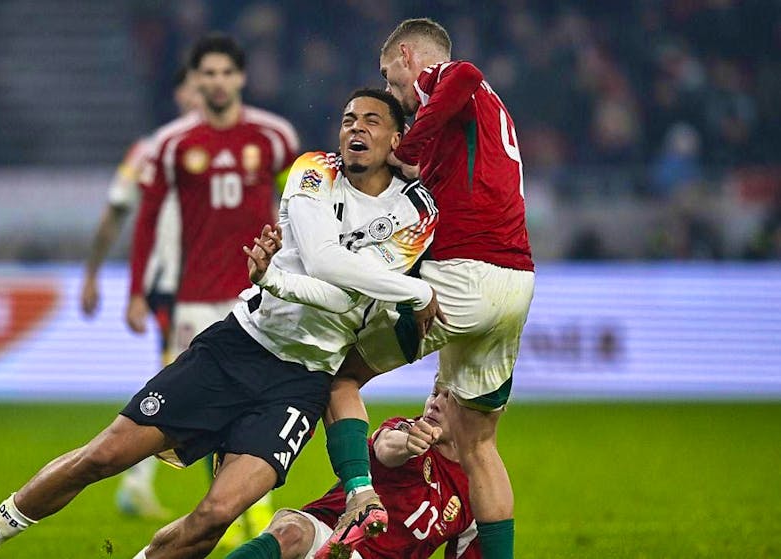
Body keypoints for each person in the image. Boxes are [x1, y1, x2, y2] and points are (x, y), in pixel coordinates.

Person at [0, 87, 442, 559]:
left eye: (372, 121)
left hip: (301, 383)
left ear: (397, 139)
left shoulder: (417, 211)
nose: (356, 128)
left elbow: (351, 292)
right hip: (238, 347)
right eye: (349, 119)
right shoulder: (312, 171)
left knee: (216, 516)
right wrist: (402, 290)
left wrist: (281, 280)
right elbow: (331, 268)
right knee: (103, 455)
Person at [319, 18, 536, 559]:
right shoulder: (477, 121)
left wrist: (404, 145)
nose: (395, 95)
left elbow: (464, 74)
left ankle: (359, 497)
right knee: (477, 442)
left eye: (392, 81)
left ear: (409, 57)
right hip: (515, 281)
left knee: (341, 378)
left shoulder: (453, 79)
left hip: (465, 274)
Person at [129, 33, 300, 543]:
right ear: (197, 80)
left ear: (240, 78)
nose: (218, 81)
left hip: (259, 295)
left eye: (227, 72)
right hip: (195, 300)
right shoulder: (174, 144)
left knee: (256, 406)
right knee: (205, 411)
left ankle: (255, 515)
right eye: (209, 73)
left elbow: (298, 210)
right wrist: (137, 290)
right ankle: (223, 516)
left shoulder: (274, 138)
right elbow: (147, 218)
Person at [79, 66, 201, 520]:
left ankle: (140, 478)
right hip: (171, 281)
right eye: (192, 85)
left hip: (215, 280)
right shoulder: (150, 150)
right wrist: (93, 275)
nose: (199, 95)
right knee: (181, 376)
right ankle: (136, 477)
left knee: (182, 375)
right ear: (178, 94)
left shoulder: (227, 147)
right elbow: (117, 212)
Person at [227, 384, 480, 559]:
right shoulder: (408, 430)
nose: (435, 404)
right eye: (434, 393)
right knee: (292, 531)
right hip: (329, 533)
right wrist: (408, 443)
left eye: (449, 399)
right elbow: (385, 445)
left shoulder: (480, 490)